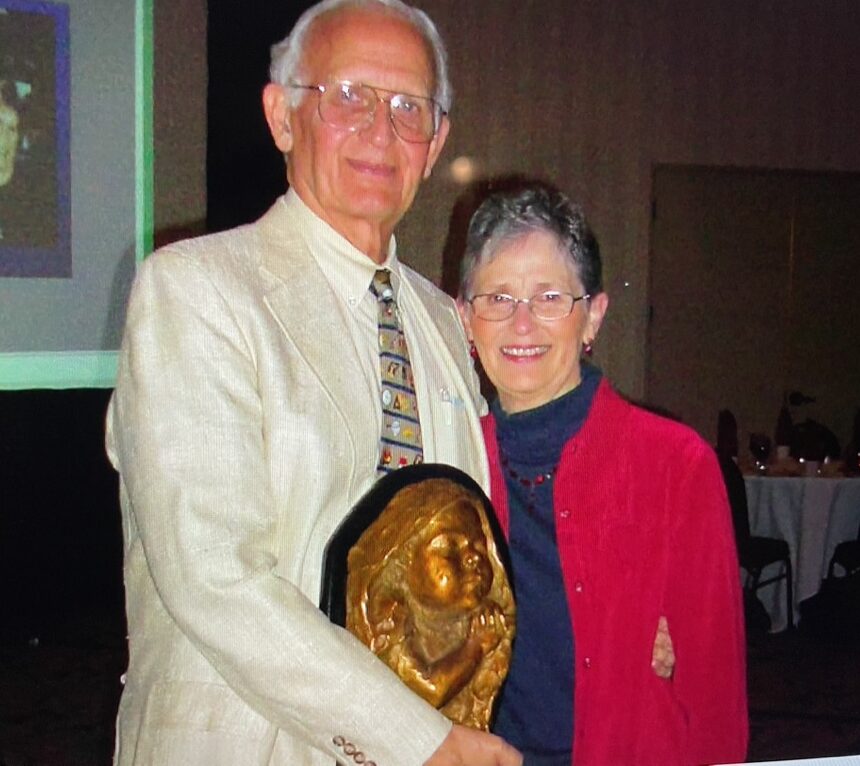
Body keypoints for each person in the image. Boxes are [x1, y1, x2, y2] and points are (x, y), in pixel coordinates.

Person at [105, 1, 521, 764]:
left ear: (436, 144)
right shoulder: (195, 293)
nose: (380, 130)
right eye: (348, 97)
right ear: (282, 116)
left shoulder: (439, 321)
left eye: (408, 108)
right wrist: (415, 739)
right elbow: (214, 576)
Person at [457, 182, 748, 765]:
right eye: (498, 298)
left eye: (549, 298)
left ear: (592, 317)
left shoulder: (675, 465)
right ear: (465, 318)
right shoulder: (449, 463)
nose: (521, 325)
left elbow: (715, 703)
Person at [346, 476, 515, 729]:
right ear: (402, 565)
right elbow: (429, 691)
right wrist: (475, 647)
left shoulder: (483, 617)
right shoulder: (392, 622)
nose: (472, 558)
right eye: (449, 549)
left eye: (479, 547)